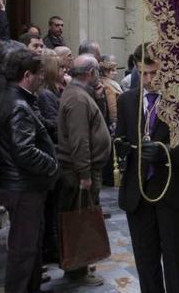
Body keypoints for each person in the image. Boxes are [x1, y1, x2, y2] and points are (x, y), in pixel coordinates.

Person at [115, 43, 179, 292]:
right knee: (146, 265)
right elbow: (122, 138)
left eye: (155, 73)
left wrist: (166, 152)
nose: (149, 79)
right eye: (143, 73)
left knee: (177, 265)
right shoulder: (126, 100)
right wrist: (121, 148)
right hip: (138, 195)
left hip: (173, 194)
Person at [0, 49, 59, 293]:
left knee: (29, 248)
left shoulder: (13, 97)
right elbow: (24, 151)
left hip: (22, 185)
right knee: (23, 250)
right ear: (27, 75)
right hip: (22, 187)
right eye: (40, 74)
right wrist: (53, 164)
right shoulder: (18, 104)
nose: (43, 78)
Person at [57, 54, 112, 286]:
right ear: (91, 73)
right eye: (97, 71)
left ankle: (80, 266)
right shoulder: (78, 99)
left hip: (81, 170)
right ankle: (78, 270)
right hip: (79, 173)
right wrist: (85, 174)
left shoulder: (79, 93)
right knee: (80, 221)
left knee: (81, 218)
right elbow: (80, 141)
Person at [38, 50, 64, 264]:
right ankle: (52, 248)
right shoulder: (46, 94)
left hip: (55, 154)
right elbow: (52, 124)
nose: (64, 70)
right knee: (52, 207)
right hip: (53, 154)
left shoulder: (54, 91)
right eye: (60, 67)